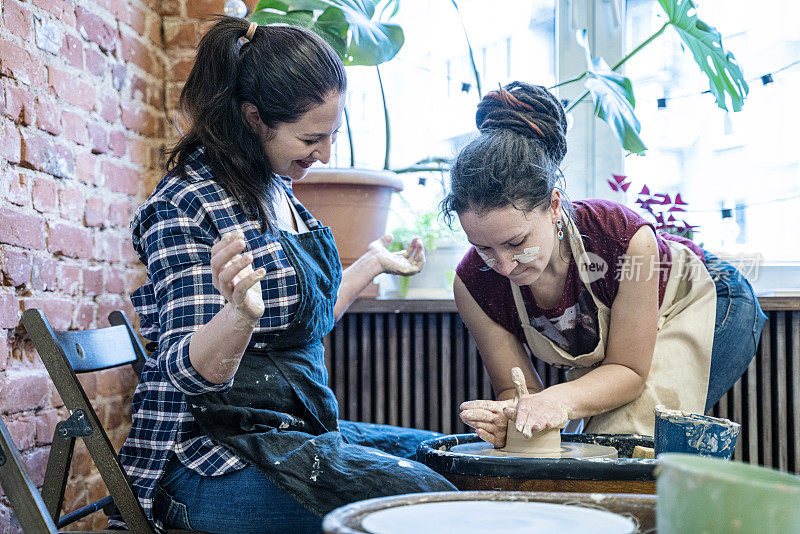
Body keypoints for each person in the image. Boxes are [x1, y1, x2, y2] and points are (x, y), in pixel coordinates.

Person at [116, 17, 455, 534]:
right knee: (426, 504)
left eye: (334, 134)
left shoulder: (273, 185)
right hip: (207, 460)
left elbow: (303, 323)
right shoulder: (186, 205)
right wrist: (238, 315)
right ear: (254, 119)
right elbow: (187, 371)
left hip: (291, 433)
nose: (326, 154)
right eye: (312, 137)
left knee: (442, 460)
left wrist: (371, 265)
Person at [442, 81, 766, 446]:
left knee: (630, 442)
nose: (503, 266)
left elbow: (627, 371)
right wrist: (510, 420)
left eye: (516, 242)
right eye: (483, 247)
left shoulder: (622, 238)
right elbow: (517, 392)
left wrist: (553, 402)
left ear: (553, 206)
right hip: (626, 353)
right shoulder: (473, 283)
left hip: (707, 295)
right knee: (578, 445)